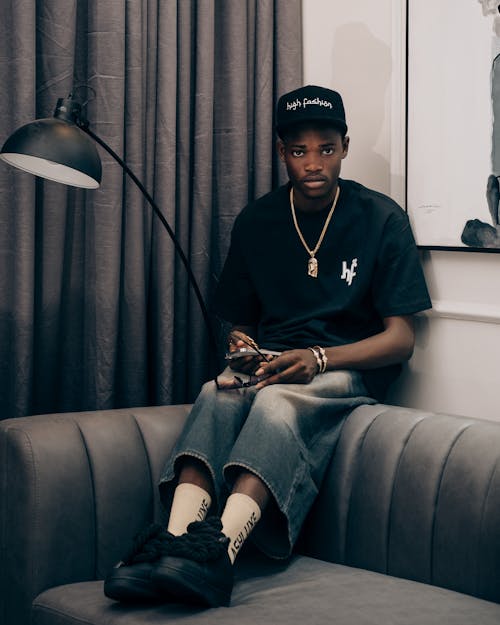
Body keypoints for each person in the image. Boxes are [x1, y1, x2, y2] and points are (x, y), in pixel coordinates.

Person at [103, 85, 432, 608]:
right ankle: (176, 544)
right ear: (282, 153)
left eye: (326, 148)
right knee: (220, 390)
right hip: (275, 362)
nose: (314, 163)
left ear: (345, 146)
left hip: (344, 370)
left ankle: (219, 557)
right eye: (299, 151)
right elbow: (243, 324)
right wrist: (242, 345)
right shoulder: (257, 221)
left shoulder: (381, 219)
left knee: (277, 403)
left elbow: (401, 340)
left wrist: (319, 358)